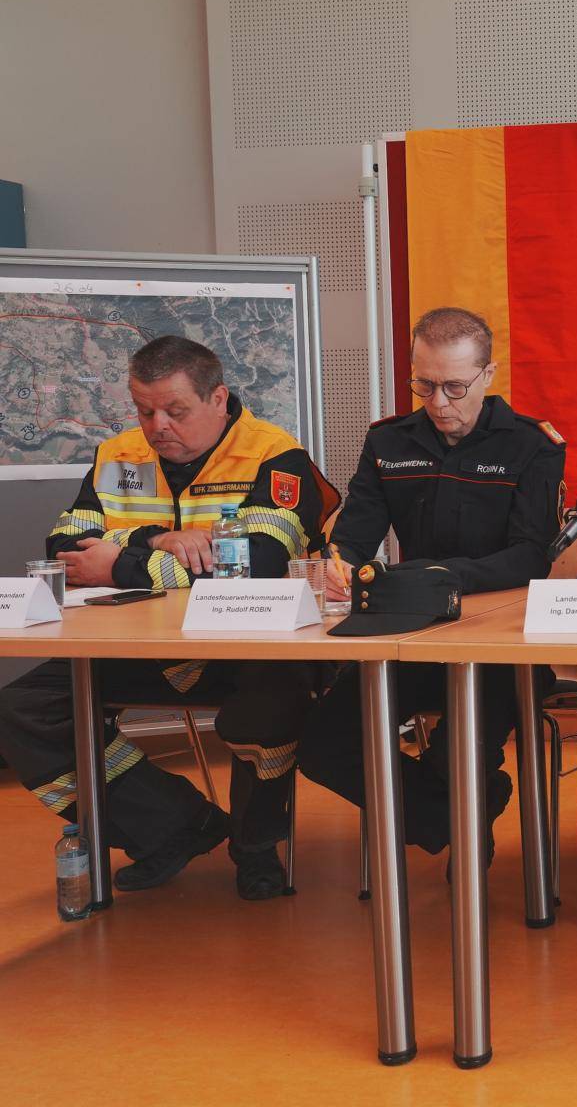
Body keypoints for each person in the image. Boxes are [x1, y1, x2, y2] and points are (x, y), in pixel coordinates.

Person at [0, 336, 336, 898]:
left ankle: (256, 849)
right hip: (147, 645)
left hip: (255, 643)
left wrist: (121, 565)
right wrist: (158, 539)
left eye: (175, 411)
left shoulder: (275, 456)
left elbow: (257, 562)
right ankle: (176, 824)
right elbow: (66, 546)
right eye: (144, 409)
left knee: (267, 705)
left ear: (219, 398)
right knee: (26, 709)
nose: (158, 425)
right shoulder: (120, 455)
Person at [295, 307, 566, 860]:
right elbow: (353, 536)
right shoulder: (388, 442)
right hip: (409, 634)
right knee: (324, 748)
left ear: (488, 376)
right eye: (423, 385)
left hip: (502, 645)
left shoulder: (531, 445)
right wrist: (340, 564)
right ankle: (459, 816)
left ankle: (460, 818)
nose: (438, 403)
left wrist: (435, 576)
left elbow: (530, 557)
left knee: (455, 754)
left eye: (455, 387)